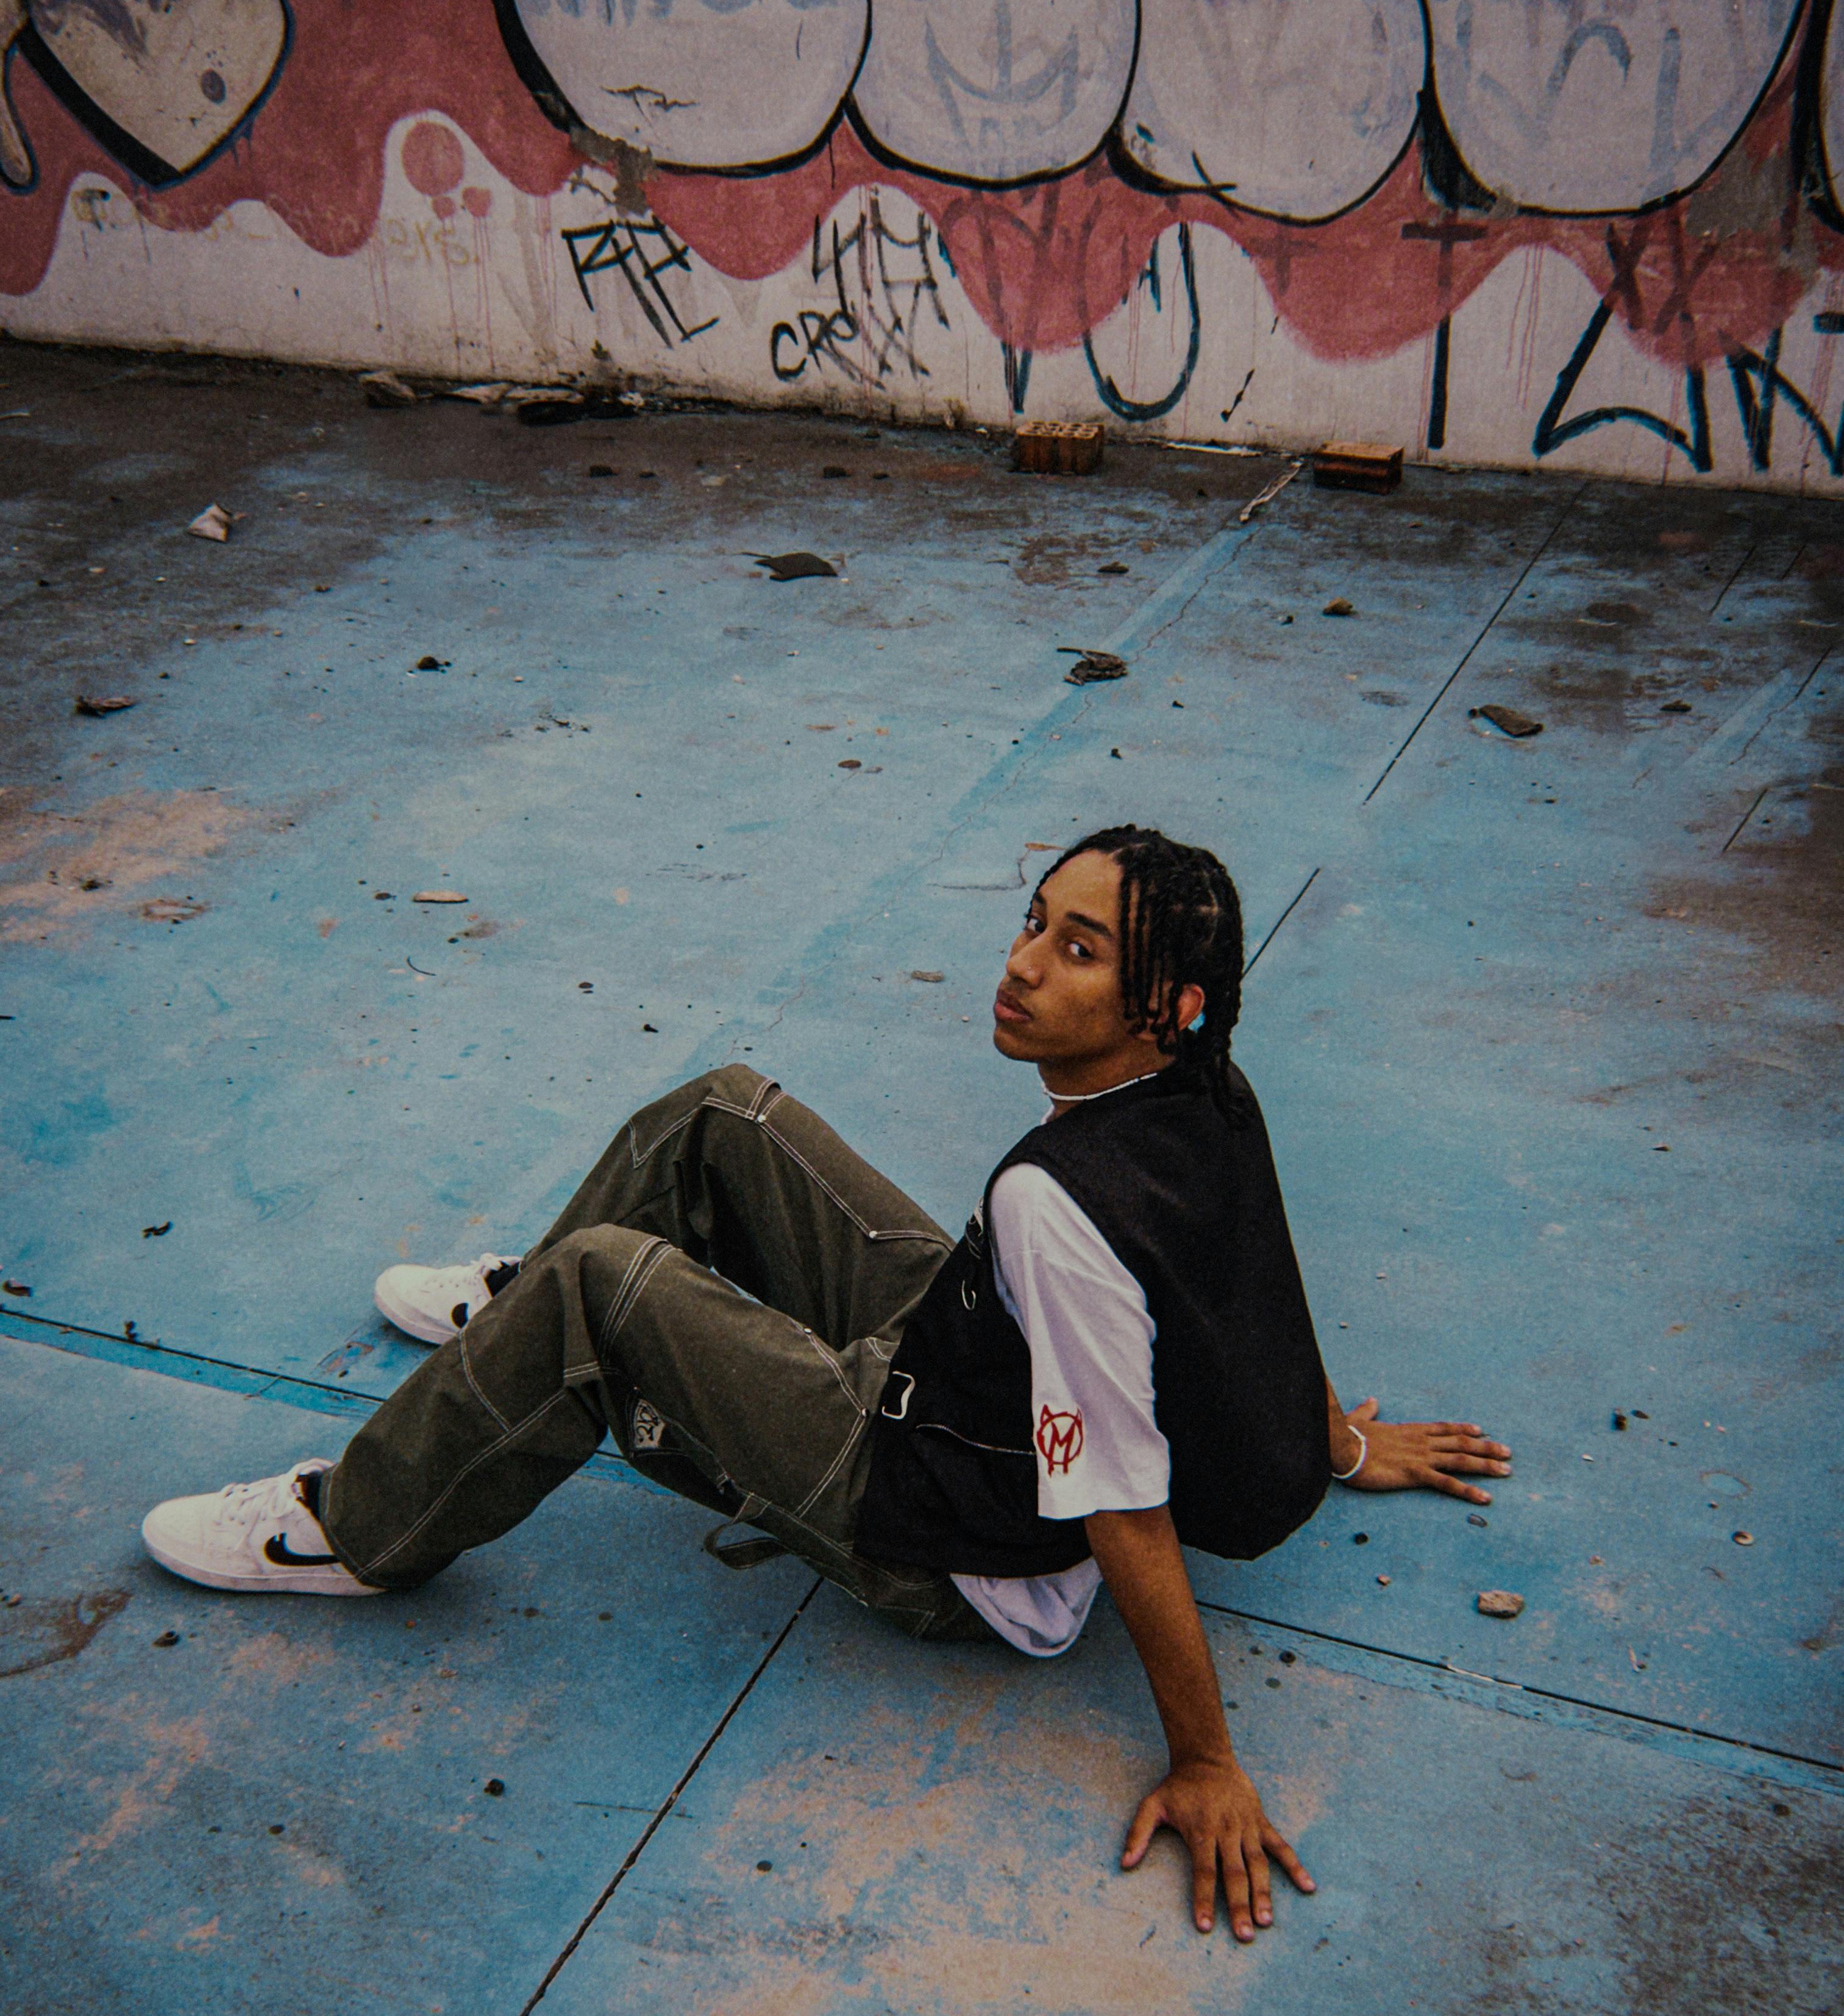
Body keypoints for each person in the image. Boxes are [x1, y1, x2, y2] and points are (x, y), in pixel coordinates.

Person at [143, 825, 1510, 1941]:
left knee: (600, 1292)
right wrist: (1337, 1447)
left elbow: (1125, 1509)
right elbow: (1249, 1293)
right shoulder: (1215, 1088)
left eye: (1077, 950)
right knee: (724, 1111)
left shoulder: (1056, 1206)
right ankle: (517, 1341)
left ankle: (365, 1525)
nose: (1022, 965)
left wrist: (1208, 1759)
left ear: (1169, 1008)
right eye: (1033, 920)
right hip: (960, 1369)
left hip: (945, 1535)